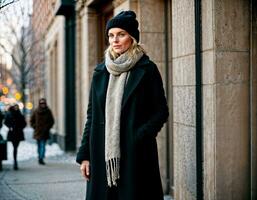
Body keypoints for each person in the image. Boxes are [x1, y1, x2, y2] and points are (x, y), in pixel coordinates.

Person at [76, 10, 169, 200]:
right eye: (111, 35)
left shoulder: (147, 69)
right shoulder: (100, 72)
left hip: (136, 156)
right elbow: (92, 116)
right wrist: (85, 155)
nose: (115, 40)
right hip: (101, 155)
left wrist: (139, 136)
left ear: (132, 38)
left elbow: (161, 111)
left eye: (121, 34)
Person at [30, 98, 54, 165]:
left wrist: (48, 127)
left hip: (45, 132)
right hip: (37, 131)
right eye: (41, 103)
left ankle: (41, 158)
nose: (42, 104)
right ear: (39, 104)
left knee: (43, 145)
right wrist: (35, 126)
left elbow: (51, 121)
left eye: (43, 103)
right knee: (38, 145)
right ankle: (40, 156)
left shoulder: (48, 111)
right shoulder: (36, 111)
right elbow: (31, 120)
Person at [4, 104, 27, 170]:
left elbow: (24, 123)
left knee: (16, 147)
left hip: (18, 133)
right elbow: (6, 122)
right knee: (15, 147)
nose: (16, 108)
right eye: (15, 107)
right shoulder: (9, 114)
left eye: (17, 107)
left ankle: (15, 161)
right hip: (12, 133)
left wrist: (21, 128)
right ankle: (15, 162)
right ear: (13, 108)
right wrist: (10, 127)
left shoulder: (20, 114)